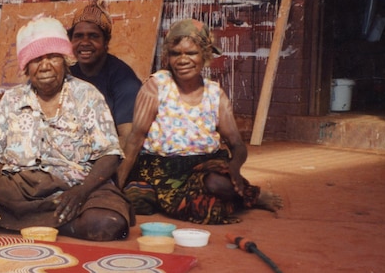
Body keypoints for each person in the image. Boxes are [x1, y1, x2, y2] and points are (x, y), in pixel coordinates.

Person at [0, 15, 133, 241]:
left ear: (65, 61)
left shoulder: (87, 95)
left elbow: (109, 154)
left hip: (74, 185)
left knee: (108, 224)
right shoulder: (12, 99)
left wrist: (81, 192)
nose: (46, 66)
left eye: (53, 57)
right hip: (17, 186)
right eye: (37, 59)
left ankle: (8, 223)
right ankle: (57, 225)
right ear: (26, 67)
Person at [116, 18, 282, 224]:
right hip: (161, 169)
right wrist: (116, 188)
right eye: (176, 53)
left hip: (205, 166)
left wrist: (235, 168)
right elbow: (134, 139)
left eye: (191, 53)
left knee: (217, 184)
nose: (183, 60)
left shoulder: (215, 94)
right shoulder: (157, 86)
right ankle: (149, 192)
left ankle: (250, 194)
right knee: (139, 201)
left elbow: (237, 145)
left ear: (205, 55)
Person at [68, 0, 142, 149]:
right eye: (78, 36)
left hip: (106, 155)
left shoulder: (124, 80)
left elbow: (128, 138)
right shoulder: (69, 75)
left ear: (106, 41)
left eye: (93, 36)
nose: (85, 42)